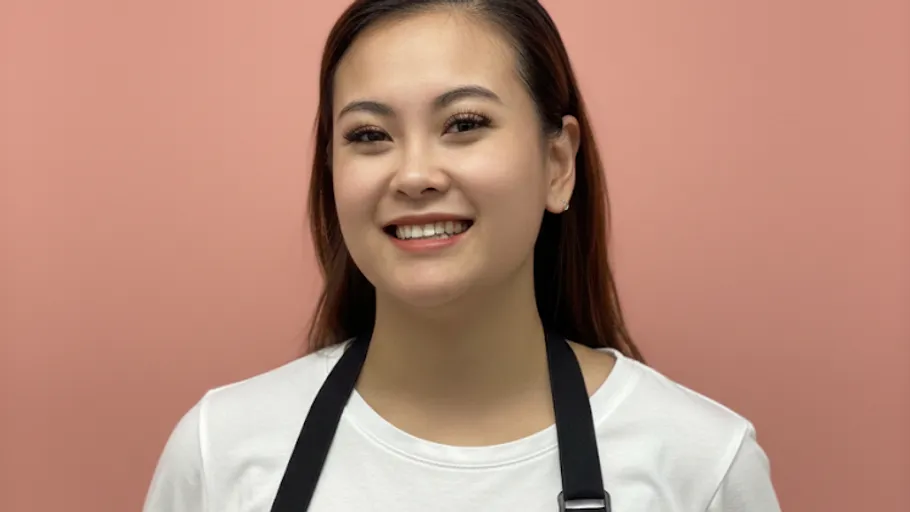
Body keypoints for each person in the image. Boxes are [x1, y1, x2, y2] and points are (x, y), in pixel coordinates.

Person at [143, 1, 782, 510]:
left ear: (558, 163)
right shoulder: (217, 449)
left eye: (464, 124)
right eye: (369, 135)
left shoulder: (703, 465)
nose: (415, 174)